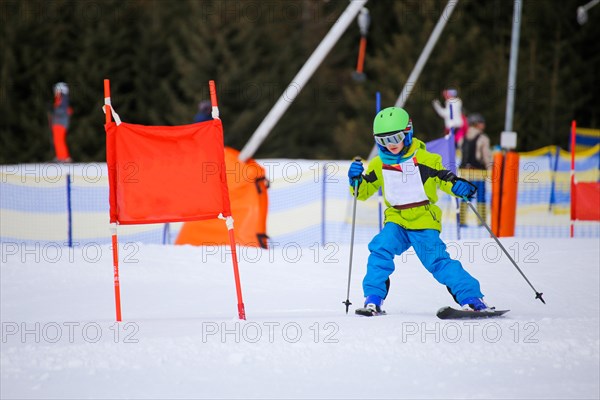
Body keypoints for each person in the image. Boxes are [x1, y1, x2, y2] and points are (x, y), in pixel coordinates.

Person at [347, 106, 491, 316]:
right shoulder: (379, 164)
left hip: (423, 220)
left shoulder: (425, 159)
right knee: (380, 250)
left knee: (437, 261)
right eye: (383, 140)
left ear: (408, 132)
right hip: (396, 220)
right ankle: (373, 299)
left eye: (395, 138)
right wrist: (355, 180)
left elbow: (445, 179)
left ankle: (472, 299)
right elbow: (362, 192)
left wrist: (460, 187)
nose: (391, 145)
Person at [458, 113, 492, 226]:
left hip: (465, 172)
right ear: (477, 124)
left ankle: (461, 220)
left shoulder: (463, 138)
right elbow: (486, 156)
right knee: (481, 196)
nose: (484, 124)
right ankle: (481, 221)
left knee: (465, 195)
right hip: (478, 172)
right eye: (481, 122)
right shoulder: (483, 138)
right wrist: (490, 168)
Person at [51, 82, 72, 162]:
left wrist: (54, 111)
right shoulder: (61, 99)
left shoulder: (63, 99)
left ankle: (64, 157)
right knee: (57, 140)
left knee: (59, 140)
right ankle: (60, 156)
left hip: (60, 123)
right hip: (58, 122)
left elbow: (63, 111)